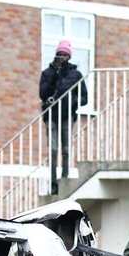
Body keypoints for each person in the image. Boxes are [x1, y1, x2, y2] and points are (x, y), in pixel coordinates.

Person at [39, 40, 88, 194]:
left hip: (67, 116)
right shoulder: (47, 73)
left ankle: (64, 178)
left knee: (66, 149)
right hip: (52, 116)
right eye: (59, 54)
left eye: (65, 55)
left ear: (69, 56)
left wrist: (73, 102)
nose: (62, 57)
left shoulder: (76, 74)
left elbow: (84, 98)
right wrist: (54, 74)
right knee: (53, 150)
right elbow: (43, 94)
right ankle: (53, 184)